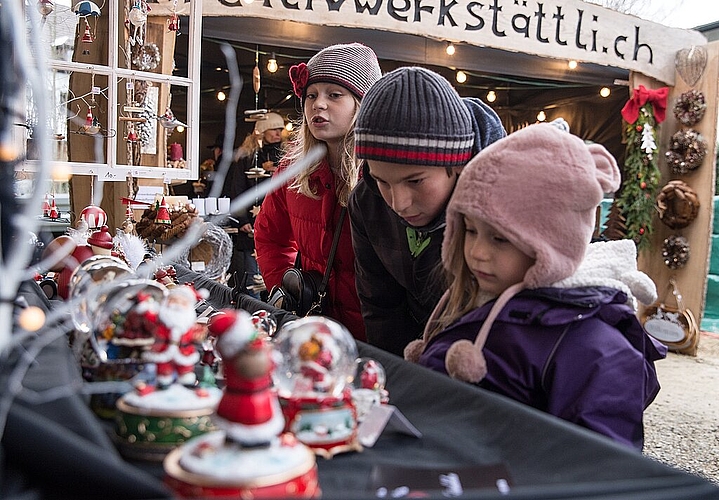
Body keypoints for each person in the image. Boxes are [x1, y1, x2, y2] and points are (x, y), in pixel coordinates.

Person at [404, 122, 667, 450]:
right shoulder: (479, 298)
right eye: (470, 230)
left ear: (553, 241)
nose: (477, 252)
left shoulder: (597, 348)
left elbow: (601, 465)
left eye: (500, 238)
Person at [351, 66, 506, 356]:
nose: (398, 203)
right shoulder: (366, 201)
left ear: (458, 164)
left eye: (415, 181)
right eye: (382, 180)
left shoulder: (502, 204)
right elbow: (380, 306)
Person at [254, 43, 382, 341]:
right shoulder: (292, 170)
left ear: (361, 104)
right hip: (313, 333)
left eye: (334, 95)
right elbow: (270, 236)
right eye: (311, 95)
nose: (318, 104)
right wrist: (288, 287)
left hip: (377, 340)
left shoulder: (385, 173)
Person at [222, 113, 286, 297]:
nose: (278, 133)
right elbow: (237, 189)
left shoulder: (285, 156)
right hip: (252, 224)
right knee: (253, 277)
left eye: (280, 129)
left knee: (277, 277)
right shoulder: (247, 157)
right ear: (263, 131)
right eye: (274, 129)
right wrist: (241, 219)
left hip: (277, 224)